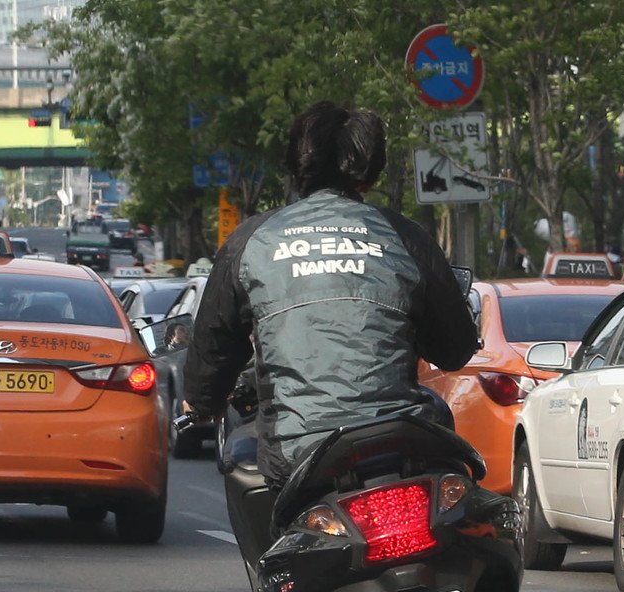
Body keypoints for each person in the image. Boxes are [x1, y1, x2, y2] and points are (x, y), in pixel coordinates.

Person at [183, 101, 480, 555]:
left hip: (298, 453)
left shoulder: (252, 241)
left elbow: (214, 347)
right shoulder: (404, 237)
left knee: (250, 484)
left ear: (296, 165)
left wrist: (201, 402)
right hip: (402, 442)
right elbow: (456, 348)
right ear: (370, 172)